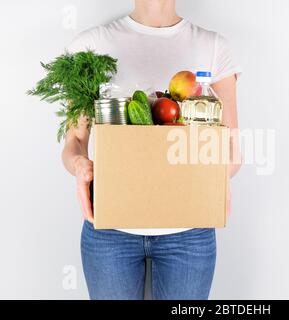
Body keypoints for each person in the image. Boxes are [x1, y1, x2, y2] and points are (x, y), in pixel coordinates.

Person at [61, 0, 241, 300]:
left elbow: (232, 148)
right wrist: (81, 166)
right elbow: (73, 143)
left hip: (189, 231)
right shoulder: (90, 45)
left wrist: (217, 178)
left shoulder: (213, 47)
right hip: (110, 231)